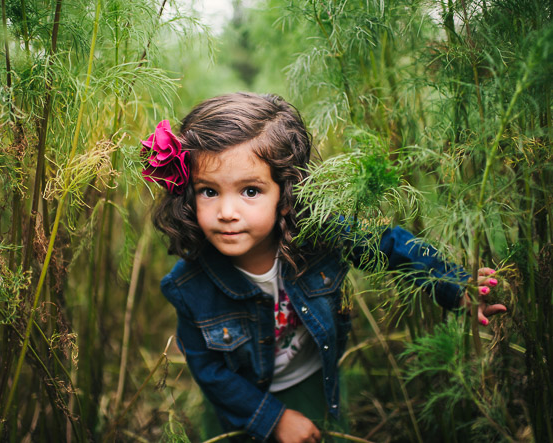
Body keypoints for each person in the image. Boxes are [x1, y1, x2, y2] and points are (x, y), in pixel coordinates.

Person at [141, 92, 507, 442]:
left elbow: (389, 246)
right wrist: (273, 418)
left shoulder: (319, 238)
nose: (227, 212)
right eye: (209, 191)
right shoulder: (188, 285)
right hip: (241, 404)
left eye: (250, 191)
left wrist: (456, 287)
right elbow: (211, 372)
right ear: (189, 193)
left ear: (285, 195)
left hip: (313, 382)